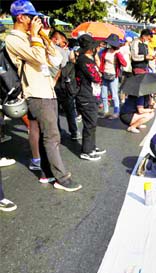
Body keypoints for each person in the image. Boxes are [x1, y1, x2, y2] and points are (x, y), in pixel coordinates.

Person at [5, 0, 82, 191]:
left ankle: (46, 173)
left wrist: (44, 38)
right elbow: (37, 58)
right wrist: (34, 36)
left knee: (42, 135)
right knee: (52, 136)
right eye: (31, 17)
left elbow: (53, 60)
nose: (35, 20)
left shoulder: (32, 36)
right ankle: (62, 178)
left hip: (45, 90)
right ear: (21, 17)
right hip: (37, 93)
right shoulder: (14, 39)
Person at [75, 34, 106, 161]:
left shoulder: (88, 58)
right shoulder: (84, 60)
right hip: (85, 95)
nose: (96, 48)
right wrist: (98, 71)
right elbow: (96, 77)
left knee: (92, 123)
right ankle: (86, 151)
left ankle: (91, 147)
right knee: (90, 124)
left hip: (90, 94)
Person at [99, 33, 127, 119]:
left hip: (113, 75)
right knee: (103, 95)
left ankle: (116, 112)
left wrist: (118, 54)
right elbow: (99, 58)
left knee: (114, 95)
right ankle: (106, 112)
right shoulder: (104, 51)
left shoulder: (117, 53)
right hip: (104, 74)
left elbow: (124, 64)